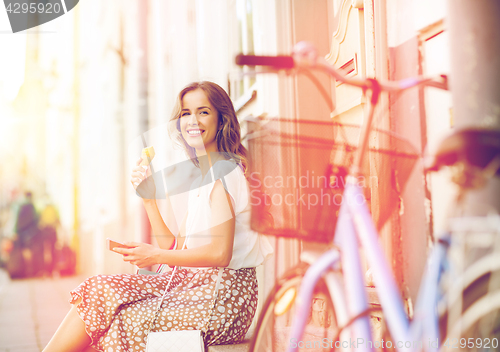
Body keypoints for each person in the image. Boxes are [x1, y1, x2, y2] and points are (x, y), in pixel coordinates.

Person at [43, 81, 273, 352]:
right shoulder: (205, 175)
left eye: (203, 112)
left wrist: (154, 257)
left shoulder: (224, 172)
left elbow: (220, 254)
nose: (192, 120)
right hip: (191, 287)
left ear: (222, 120)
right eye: (185, 113)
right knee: (97, 290)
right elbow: (174, 247)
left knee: (125, 320)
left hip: (223, 300)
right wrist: (149, 199)